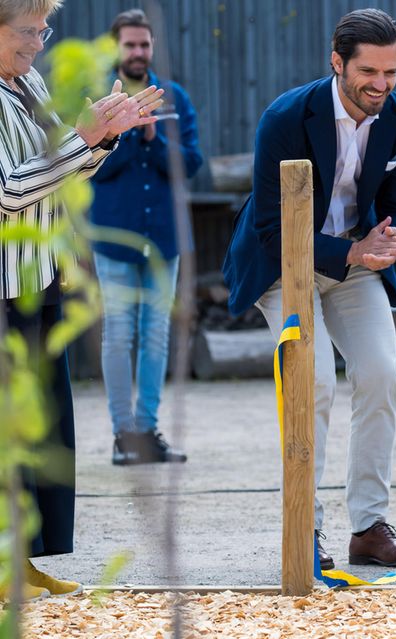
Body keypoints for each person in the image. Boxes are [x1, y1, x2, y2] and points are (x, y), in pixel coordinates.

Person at [222, 8, 396, 570]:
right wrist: (352, 251)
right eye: (368, 72)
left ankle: (367, 528)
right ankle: (303, 530)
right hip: (283, 261)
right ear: (336, 62)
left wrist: (394, 237)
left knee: (383, 375)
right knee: (311, 386)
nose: (380, 85)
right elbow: (272, 225)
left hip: (357, 263)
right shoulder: (286, 117)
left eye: (391, 73)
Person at [0, 0, 163, 601]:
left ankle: (23, 562)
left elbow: (60, 170)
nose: (37, 42)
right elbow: (8, 192)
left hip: (39, 277)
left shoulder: (28, 82)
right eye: (25, 30)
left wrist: (99, 140)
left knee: (47, 429)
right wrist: (83, 137)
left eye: (43, 30)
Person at [90, 9, 201, 466]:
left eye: (144, 44)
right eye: (129, 45)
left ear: (152, 46)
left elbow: (192, 164)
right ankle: (122, 436)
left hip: (163, 238)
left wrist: (153, 136)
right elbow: (87, 168)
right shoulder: (96, 97)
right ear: (116, 47)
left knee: (156, 335)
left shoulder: (173, 96)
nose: (137, 53)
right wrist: (120, 131)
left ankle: (147, 431)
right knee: (118, 334)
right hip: (114, 236)